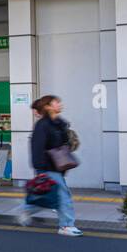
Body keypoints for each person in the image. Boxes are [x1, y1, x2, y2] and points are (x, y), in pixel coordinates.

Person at [17, 95, 82, 236]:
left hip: (58, 166)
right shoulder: (42, 125)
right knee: (63, 194)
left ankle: (26, 208)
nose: (59, 104)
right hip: (46, 166)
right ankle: (66, 226)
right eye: (56, 102)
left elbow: (64, 143)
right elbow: (37, 148)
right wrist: (39, 169)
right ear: (47, 106)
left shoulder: (59, 123)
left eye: (59, 101)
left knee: (49, 195)